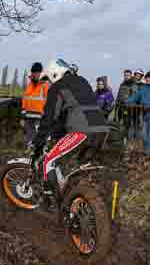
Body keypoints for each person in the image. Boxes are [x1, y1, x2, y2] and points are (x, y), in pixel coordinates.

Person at [30, 59, 110, 203]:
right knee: (82, 167)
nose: (49, 82)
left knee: (48, 161)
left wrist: (38, 140)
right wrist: (57, 133)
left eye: (48, 79)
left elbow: (49, 117)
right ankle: (79, 200)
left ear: (54, 74)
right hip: (102, 129)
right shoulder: (82, 81)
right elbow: (71, 110)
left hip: (82, 131)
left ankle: (56, 203)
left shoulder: (57, 87)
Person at [127, 71, 150, 153]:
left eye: (149, 79)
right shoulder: (143, 88)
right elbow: (136, 96)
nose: (147, 80)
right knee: (144, 134)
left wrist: (148, 104)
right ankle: (146, 149)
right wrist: (128, 101)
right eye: (146, 79)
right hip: (146, 114)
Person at [21, 62, 50, 145]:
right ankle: (28, 155)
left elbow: (49, 101)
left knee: (38, 139)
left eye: (36, 72)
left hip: (39, 118)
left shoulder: (45, 85)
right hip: (28, 119)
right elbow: (24, 101)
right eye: (33, 72)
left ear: (41, 73)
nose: (34, 74)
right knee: (28, 140)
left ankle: (39, 155)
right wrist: (23, 117)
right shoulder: (29, 85)